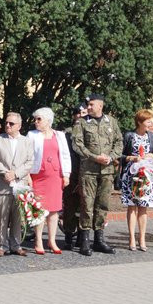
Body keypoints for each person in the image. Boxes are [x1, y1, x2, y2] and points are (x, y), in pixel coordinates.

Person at [72, 93, 123, 256]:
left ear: (100, 105)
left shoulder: (111, 122)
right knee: (87, 204)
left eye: (91, 104)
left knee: (103, 205)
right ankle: (85, 241)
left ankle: (99, 240)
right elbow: (77, 145)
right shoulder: (81, 122)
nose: (88, 107)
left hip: (107, 171)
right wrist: (95, 157)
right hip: (89, 171)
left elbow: (119, 142)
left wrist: (111, 157)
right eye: (88, 105)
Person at [28, 107, 71, 254]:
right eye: (35, 119)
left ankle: (52, 240)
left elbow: (65, 155)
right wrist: (27, 175)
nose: (36, 122)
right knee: (39, 209)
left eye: (39, 119)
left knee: (54, 210)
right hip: (38, 176)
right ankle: (38, 240)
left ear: (48, 121)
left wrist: (66, 174)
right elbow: (27, 156)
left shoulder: (59, 135)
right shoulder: (32, 135)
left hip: (55, 176)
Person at [0, 112, 33, 257]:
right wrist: (6, 173)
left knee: (17, 217)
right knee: (2, 217)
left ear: (19, 126)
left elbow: (29, 162)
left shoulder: (27, 141)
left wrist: (16, 174)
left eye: (11, 124)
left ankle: (16, 245)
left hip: (19, 184)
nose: (7, 126)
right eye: (6, 123)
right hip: (2, 184)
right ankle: (1, 246)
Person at [119, 109, 153, 251]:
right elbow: (121, 155)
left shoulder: (152, 136)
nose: (150, 123)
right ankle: (131, 238)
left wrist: (151, 156)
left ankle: (142, 238)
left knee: (143, 206)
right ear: (140, 122)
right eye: (148, 121)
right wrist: (132, 158)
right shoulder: (129, 135)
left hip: (147, 175)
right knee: (132, 206)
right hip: (131, 174)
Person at [61, 103, 86, 250]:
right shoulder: (67, 134)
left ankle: (82, 237)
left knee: (84, 207)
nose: (80, 115)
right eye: (77, 113)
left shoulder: (89, 131)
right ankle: (68, 237)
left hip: (86, 174)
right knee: (70, 206)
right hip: (71, 173)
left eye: (82, 113)